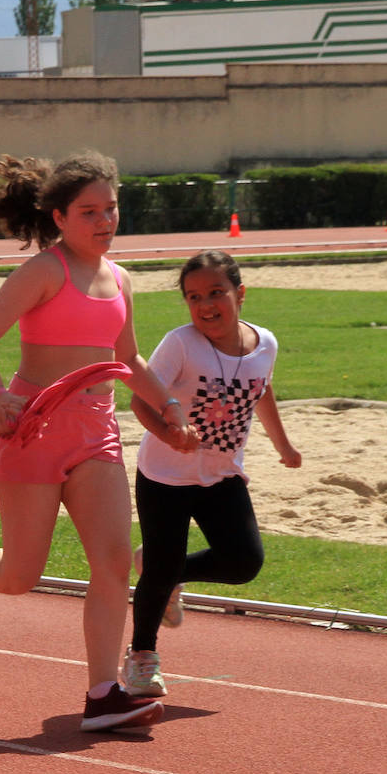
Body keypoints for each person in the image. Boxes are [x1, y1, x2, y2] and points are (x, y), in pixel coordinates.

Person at [0, 151, 194, 732]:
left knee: (113, 564)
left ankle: (102, 693)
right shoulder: (45, 272)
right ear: (59, 218)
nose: (105, 221)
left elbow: (127, 356)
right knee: (20, 575)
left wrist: (166, 405)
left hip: (97, 436)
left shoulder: (122, 279)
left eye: (111, 209)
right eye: (90, 211)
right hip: (32, 431)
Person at [122, 250, 302, 697]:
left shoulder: (266, 343)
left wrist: (283, 444)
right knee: (161, 570)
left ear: (240, 294)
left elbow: (262, 389)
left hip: (222, 474)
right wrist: (170, 434)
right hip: (165, 475)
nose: (206, 305)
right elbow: (141, 401)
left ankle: (166, 574)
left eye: (216, 293)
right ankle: (142, 657)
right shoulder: (181, 343)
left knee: (244, 563)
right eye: (194, 296)